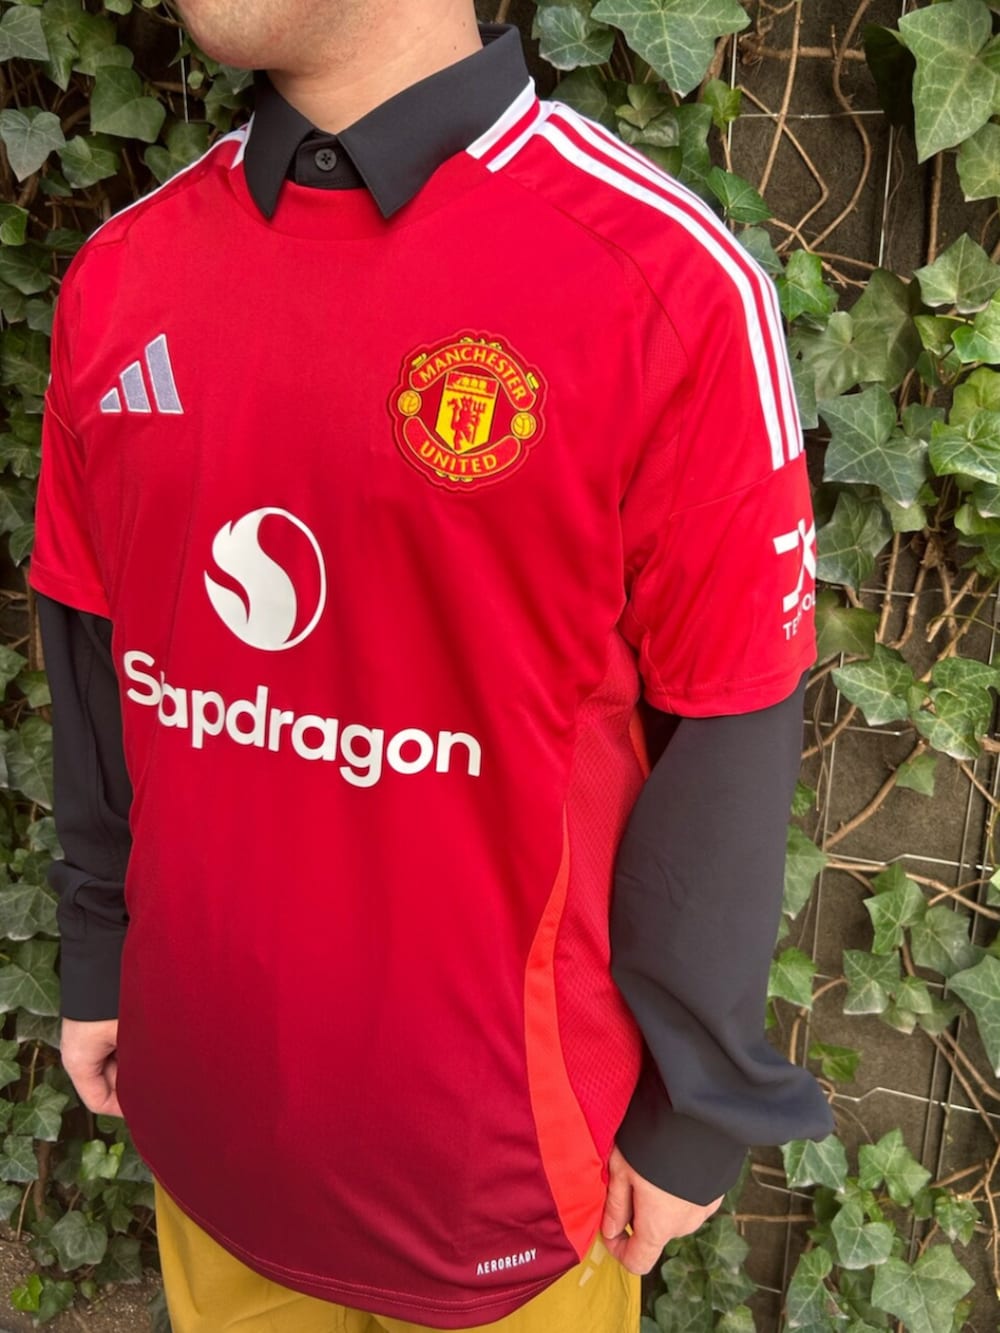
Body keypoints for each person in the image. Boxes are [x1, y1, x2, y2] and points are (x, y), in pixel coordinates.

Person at [31, 2, 835, 1330]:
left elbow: (729, 723)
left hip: (506, 1177)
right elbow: (89, 651)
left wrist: (696, 1106)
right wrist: (99, 951)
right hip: (209, 1124)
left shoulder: (663, 279)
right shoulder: (126, 271)